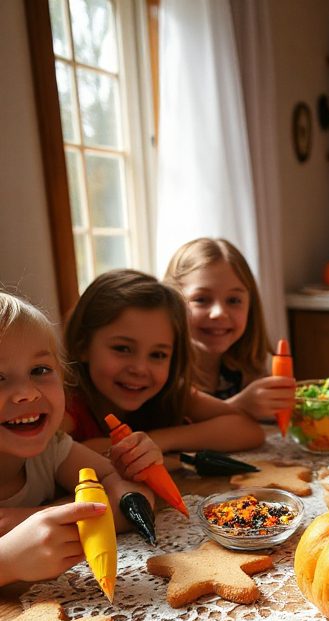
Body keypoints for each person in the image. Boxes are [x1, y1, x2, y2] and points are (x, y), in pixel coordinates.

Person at [0, 291, 154, 587]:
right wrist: (6, 562)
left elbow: (134, 497)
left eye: (39, 370)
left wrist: (36, 517)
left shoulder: (52, 450)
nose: (27, 392)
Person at [61, 269, 265, 471]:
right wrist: (169, 460)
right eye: (122, 349)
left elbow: (247, 429)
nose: (140, 369)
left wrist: (157, 440)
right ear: (82, 346)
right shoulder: (64, 407)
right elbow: (67, 458)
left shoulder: (170, 394)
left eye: (158, 355)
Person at [164, 237, 295, 421]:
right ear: (173, 302)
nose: (219, 313)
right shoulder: (163, 374)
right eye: (201, 299)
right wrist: (239, 407)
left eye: (233, 300)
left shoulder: (249, 369)